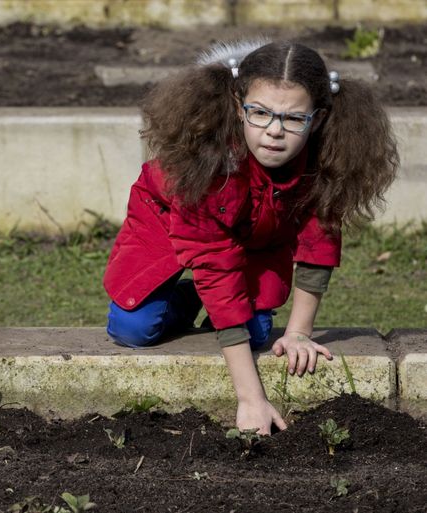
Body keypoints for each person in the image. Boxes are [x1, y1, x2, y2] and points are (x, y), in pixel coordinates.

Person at [103, 40, 399, 434]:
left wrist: (298, 334)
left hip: (255, 236)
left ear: (319, 118)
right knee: (134, 329)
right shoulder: (207, 162)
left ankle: (205, 299)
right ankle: (192, 296)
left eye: (294, 119)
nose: (274, 131)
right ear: (237, 102)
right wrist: (251, 398)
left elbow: (318, 242)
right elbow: (215, 262)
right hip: (166, 220)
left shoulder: (325, 155)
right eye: (259, 113)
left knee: (257, 331)